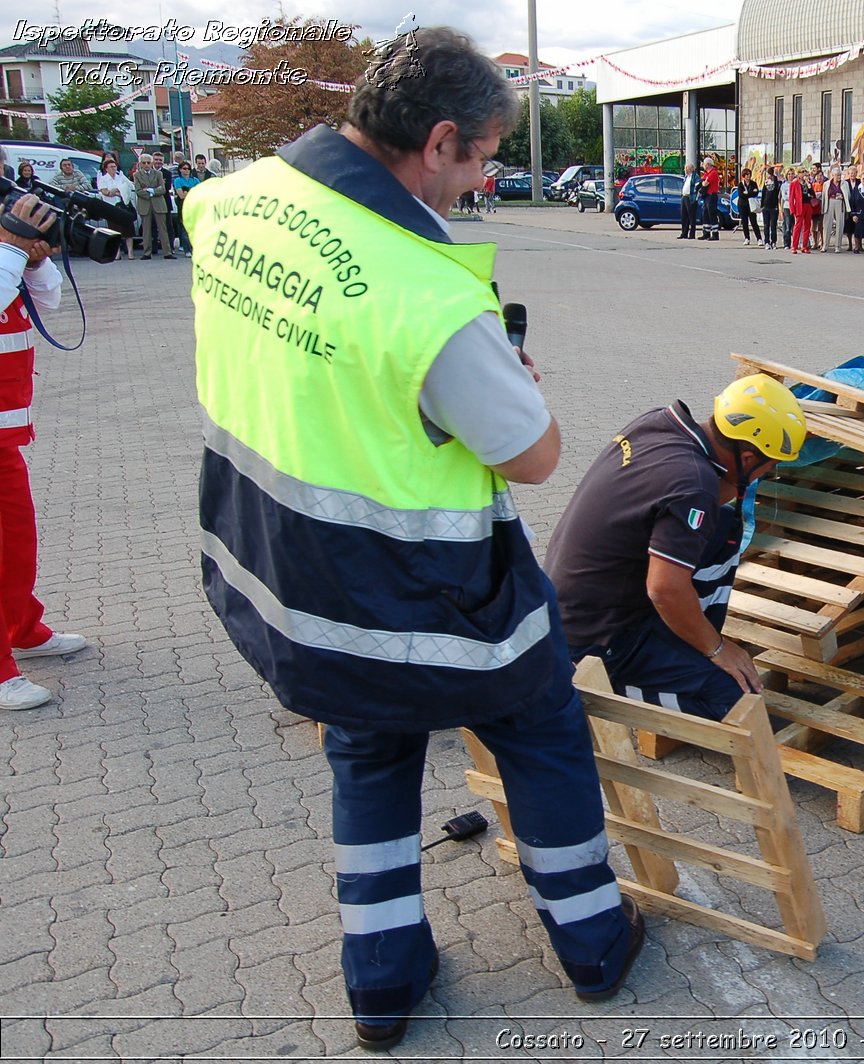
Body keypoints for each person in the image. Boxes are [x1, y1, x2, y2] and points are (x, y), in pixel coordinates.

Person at [184, 28, 645, 1048]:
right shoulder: (427, 292)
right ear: (438, 141)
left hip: (281, 576)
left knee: (371, 748)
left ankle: (381, 979)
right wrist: (515, 383)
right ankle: (592, 940)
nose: (482, 179)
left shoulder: (230, 201)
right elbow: (531, 456)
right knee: (542, 725)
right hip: (424, 593)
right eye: (482, 156)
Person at [546, 375, 806, 720]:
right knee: (735, 702)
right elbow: (664, 588)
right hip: (596, 638)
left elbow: (705, 498)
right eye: (769, 465)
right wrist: (717, 649)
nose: (768, 473)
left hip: (568, 605)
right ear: (746, 457)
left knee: (723, 525)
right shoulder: (692, 485)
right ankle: (598, 689)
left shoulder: (660, 425)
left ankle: (683, 643)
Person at [0, 193, 87, 712]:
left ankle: (22, 629)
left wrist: (35, 257)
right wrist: (12, 248)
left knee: (16, 538)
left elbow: (47, 301)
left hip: (5, 430)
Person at [132, 154, 173, 260]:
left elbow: (163, 189)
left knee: (163, 229)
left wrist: (150, 190)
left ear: (151, 163)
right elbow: (138, 191)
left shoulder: (158, 174)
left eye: (148, 162)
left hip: (159, 204)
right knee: (146, 230)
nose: (146, 165)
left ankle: (167, 252)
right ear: (140, 164)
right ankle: (147, 252)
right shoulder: (137, 175)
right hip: (145, 204)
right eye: (144, 163)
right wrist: (154, 191)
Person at [96, 157, 135, 260]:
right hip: (111, 207)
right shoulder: (103, 179)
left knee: (128, 230)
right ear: (106, 168)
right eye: (111, 167)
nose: (114, 168)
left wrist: (117, 191)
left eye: (115, 166)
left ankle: (130, 253)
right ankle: (117, 253)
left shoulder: (121, 177)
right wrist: (118, 191)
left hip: (123, 206)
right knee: (114, 231)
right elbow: (106, 192)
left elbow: (130, 187)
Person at [788, 167, 813, 254]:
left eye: (805, 173)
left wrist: (809, 185)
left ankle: (804, 246)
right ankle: (794, 246)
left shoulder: (807, 183)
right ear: (798, 174)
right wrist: (792, 209)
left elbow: (813, 194)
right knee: (797, 227)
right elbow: (791, 197)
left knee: (807, 226)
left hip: (808, 205)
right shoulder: (794, 183)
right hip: (799, 206)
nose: (804, 175)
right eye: (802, 173)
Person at [738, 167, 761, 246]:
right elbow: (741, 195)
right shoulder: (740, 184)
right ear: (743, 176)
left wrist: (747, 193)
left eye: (749, 175)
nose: (748, 176)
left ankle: (759, 238)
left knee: (754, 222)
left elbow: (756, 193)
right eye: (746, 175)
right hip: (742, 205)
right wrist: (750, 193)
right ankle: (747, 238)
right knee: (744, 222)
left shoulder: (753, 183)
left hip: (752, 206)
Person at [760, 166, 781, 250]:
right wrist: (762, 206)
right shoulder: (766, 183)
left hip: (774, 207)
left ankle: (774, 242)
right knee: (766, 226)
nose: (768, 176)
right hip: (766, 207)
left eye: (769, 174)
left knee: (773, 226)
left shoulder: (777, 182)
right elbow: (763, 194)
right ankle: (767, 242)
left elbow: (776, 188)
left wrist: (775, 176)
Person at [699, 157, 720, 241]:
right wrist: (703, 182)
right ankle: (706, 233)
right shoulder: (707, 173)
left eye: (704, 164)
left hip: (712, 195)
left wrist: (704, 182)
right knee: (705, 214)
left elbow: (705, 183)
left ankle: (715, 234)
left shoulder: (713, 173)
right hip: (706, 196)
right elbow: (702, 182)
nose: (703, 166)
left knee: (712, 214)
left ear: (707, 165)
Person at [678, 163, 700, 240]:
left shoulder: (695, 176)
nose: (685, 170)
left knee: (691, 217)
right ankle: (684, 233)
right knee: (684, 216)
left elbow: (698, 186)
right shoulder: (686, 177)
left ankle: (692, 234)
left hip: (690, 197)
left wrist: (694, 195)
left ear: (690, 169)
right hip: (684, 197)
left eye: (686, 168)